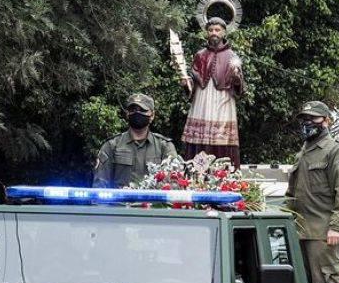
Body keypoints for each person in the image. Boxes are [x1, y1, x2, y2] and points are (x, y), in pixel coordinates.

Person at [285, 101, 339, 283]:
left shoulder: (336, 150)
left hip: (323, 234)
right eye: (304, 118)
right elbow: (292, 194)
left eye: (313, 118)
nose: (307, 122)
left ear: (326, 121)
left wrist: (336, 226)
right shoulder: (303, 153)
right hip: (299, 232)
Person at [180, 18, 245, 167]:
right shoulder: (200, 55)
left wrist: (237, 79)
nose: (214, 33)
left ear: (224, 32)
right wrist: (186, 83)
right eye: (210, 30)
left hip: (223, 102)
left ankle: (223, 174)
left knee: (222, 138)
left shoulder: (232, 56)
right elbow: (192, 83)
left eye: (217, 30)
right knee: (199, 139)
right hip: (201, 103)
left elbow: (239, 89)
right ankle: (196, 172)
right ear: (206, 33)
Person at [94, 94, 177, 188]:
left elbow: (174, 183)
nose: (137, 113)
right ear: (127, 114)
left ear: (152, 115)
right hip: (121, 198)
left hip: (152, 197)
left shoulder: (164, 147)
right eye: (133, 110)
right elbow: (100, 184)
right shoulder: (112, 145)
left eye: (142, 110)